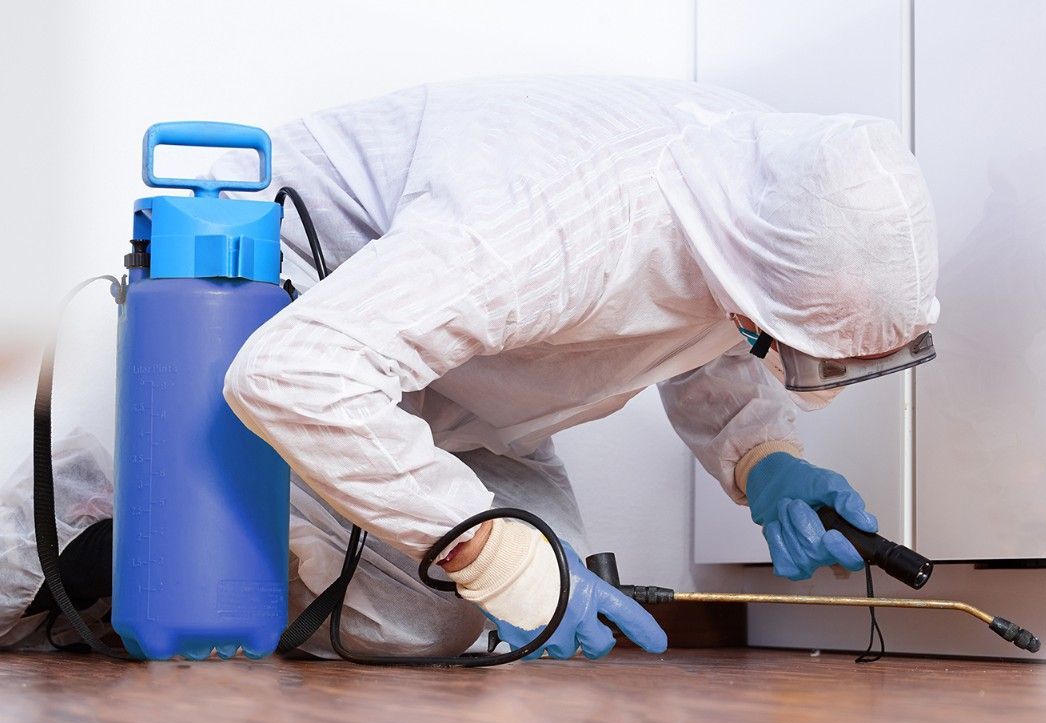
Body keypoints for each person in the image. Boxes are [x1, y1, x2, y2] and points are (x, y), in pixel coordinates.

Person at [1, 76, 938, 658]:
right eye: (781, 340)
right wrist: (492, 553)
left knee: (447, 615)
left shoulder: (769, 186)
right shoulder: (560, 220)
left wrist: (763, 456)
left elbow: (703, 317)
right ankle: (114, 518)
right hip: (298, 308)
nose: (773, 353)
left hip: (460, 368)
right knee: (486, 581)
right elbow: (292, 373)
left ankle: (212, 549)